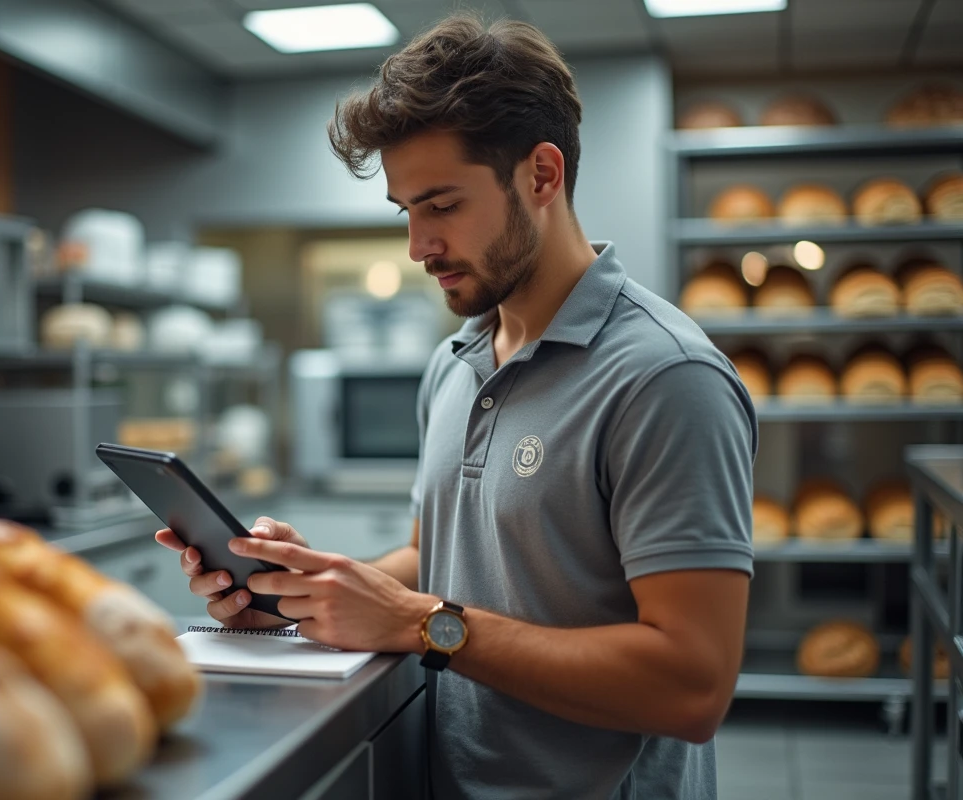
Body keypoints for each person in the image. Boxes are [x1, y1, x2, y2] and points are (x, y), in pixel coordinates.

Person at [156, 14, 755, 799]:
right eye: (406, 210)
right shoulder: (454, 364)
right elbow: (435, 557)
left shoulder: (664, 377)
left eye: (441, 205)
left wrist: (422, 624)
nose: (417, 245)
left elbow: (691, 686)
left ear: (542, 176)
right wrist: (303, 593)